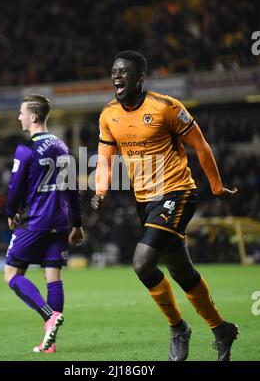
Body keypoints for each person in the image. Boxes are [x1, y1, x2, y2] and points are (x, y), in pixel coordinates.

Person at [91, 50, 239, 361]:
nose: (117, 76)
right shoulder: (108, 115)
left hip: (177, 193)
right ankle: (221, 329)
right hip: (144, 201)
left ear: (140, 78)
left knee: (142, 263)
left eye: (124, 72)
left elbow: (200, 143)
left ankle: (178, 328)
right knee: (181, 272)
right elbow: (104, 158)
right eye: (114, 71)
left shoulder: (166, 107)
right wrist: (101, 189)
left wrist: (214, 184)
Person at [4, 94, 84, 353]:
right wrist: (77, 223)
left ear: (33, 117)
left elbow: (15, 186)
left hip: (34, 222)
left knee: (12, 275)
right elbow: (73, 190)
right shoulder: (64, 148)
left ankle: (49, 315)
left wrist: (10, 210)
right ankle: (51, 343)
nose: (19, 117)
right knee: (53, 277)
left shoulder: (25, 149)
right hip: (60, 224)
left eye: (21, 113)